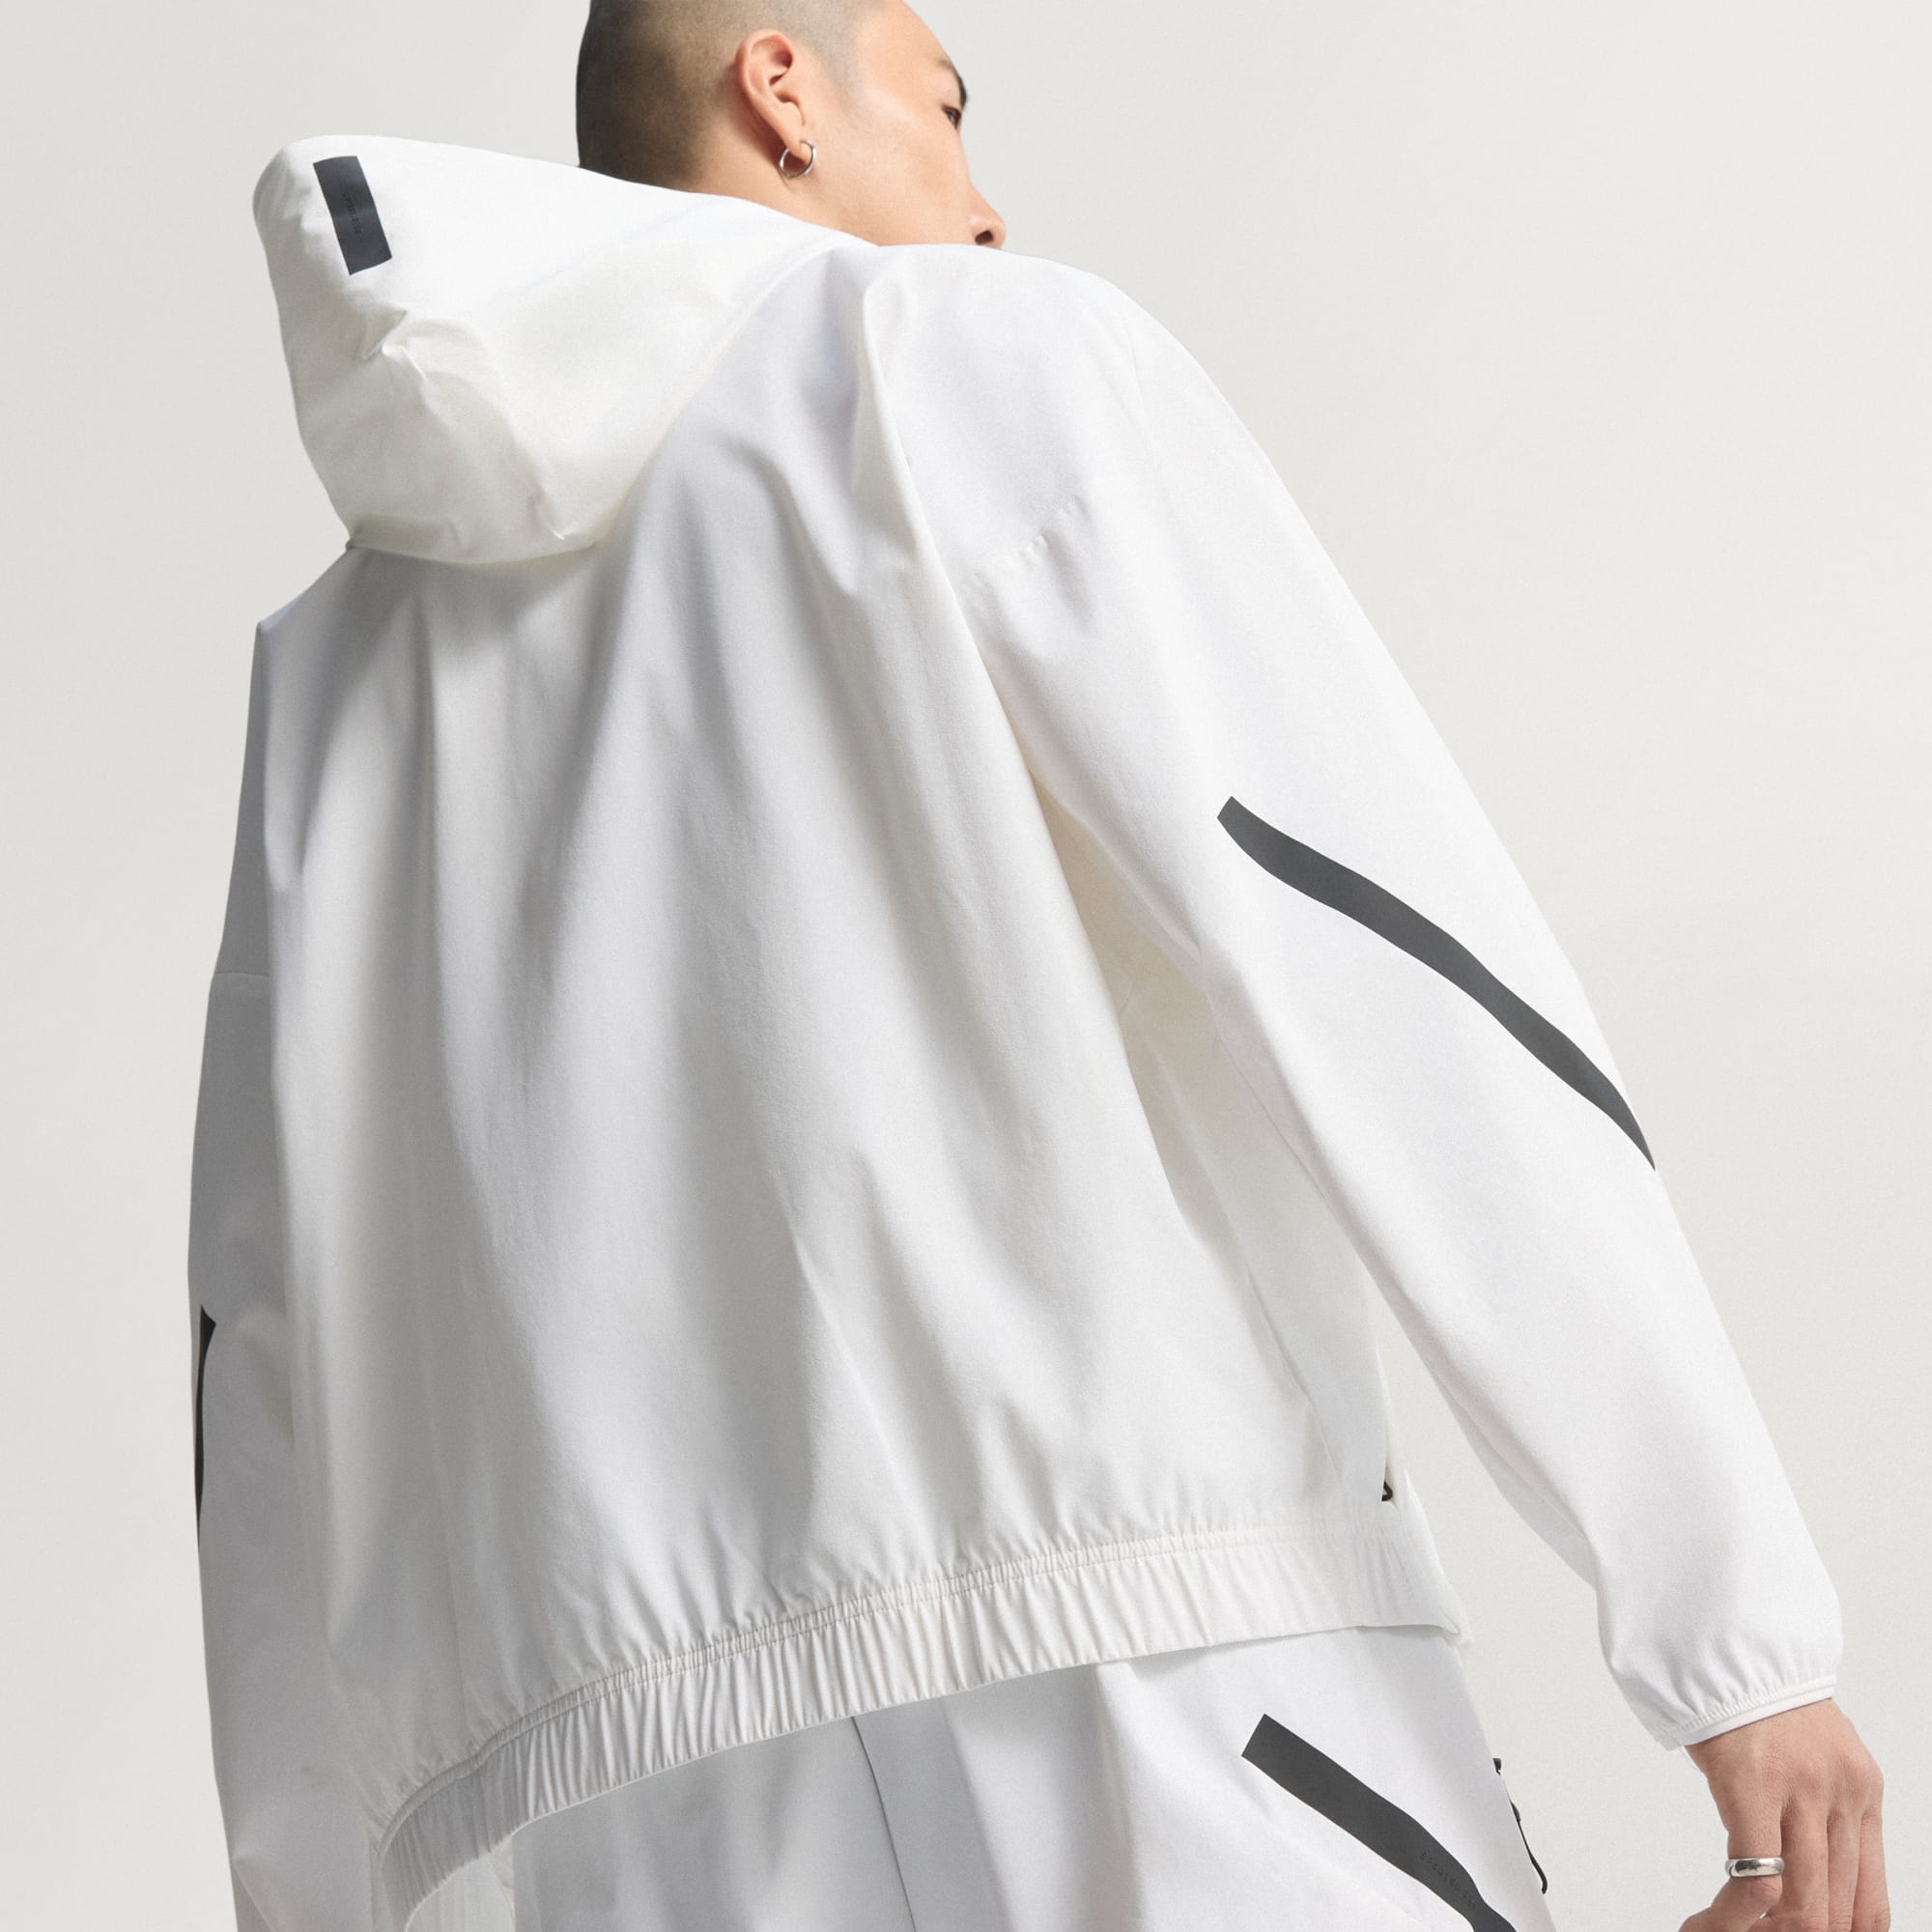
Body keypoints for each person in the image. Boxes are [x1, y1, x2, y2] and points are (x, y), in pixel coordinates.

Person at [188, 2, 1887, 1928]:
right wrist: (1734, 1630)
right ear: (779, 85)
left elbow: (267, 1325)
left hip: (642, 1813)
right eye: (944, 111)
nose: (987, 207)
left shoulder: (339, 669)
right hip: (1158, 1674)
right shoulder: (956, 354)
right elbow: (1359, 927)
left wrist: (314, 1893)